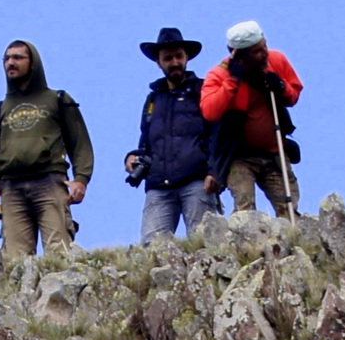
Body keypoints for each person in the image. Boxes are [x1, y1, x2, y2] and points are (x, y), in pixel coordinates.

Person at [0, 41, 93, 257]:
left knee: (59, 253)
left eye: (18, 57)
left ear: (33, 63)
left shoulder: (57, 100)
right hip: (11, 188)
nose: (11, 63)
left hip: (49, 182)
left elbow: (80, 144)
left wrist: (81, 179)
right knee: (15, 259)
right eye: (7, 58)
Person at [124, 27, 221, 243]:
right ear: (158, 62)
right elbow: (146, 141)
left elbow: (217, 135)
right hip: (158, 185)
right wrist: (132, 157)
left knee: (205, 245)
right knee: (152, 251)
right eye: (168, 58)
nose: (175, 62)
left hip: (197, 181)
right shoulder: (153, 100)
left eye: (179, 56)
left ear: (187, 58)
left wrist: (215, 172)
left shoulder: (204, 90)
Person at [200, 21, 303, 217]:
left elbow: (293, 94)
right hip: (240, 157)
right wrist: (232, 81)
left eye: (264, 45)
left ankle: (291, 238)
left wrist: (281, 86)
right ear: (238, 54)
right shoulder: (219, 75)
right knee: (244, 208)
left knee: (288, 207)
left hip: (274, 152)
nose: (265, 53)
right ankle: (247, 244)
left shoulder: (276, 60)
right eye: (257, 51)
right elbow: (209, 111)